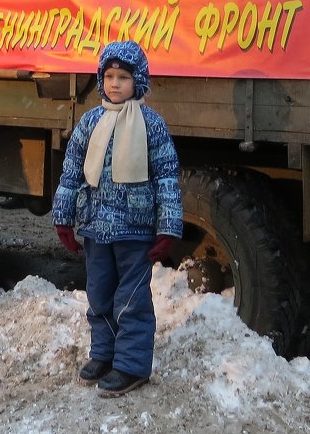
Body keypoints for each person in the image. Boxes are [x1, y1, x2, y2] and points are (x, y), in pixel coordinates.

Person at [51, 40, 182, 398]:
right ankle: (104, 354)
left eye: (123, 77)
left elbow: (167, 177)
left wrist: (167, 227)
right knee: (99, 294)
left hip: (135, 229)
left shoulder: (151, 125)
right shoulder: (91, 121)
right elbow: (72, 171)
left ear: (137, 81)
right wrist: (63, 217)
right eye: (108, 76)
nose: (114, 84)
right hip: (95, 226)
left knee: (132, 298)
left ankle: (131, 364)